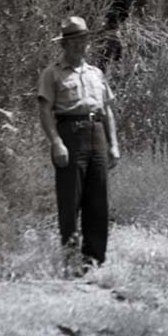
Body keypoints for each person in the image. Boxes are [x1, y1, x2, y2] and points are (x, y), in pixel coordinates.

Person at [37, 16, 121, 275]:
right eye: (72, 41)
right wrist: (56, 143)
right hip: (70, 134)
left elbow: (107, 111)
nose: (78, 45)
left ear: (87, 42)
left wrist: (113, 145)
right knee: (70, 200)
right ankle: (71, 260)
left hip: (97, 134)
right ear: (64, 44)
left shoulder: (96, 74)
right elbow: (45, 111)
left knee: (98, 200)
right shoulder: (52, 74)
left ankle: (94, 261)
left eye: (82, 40)